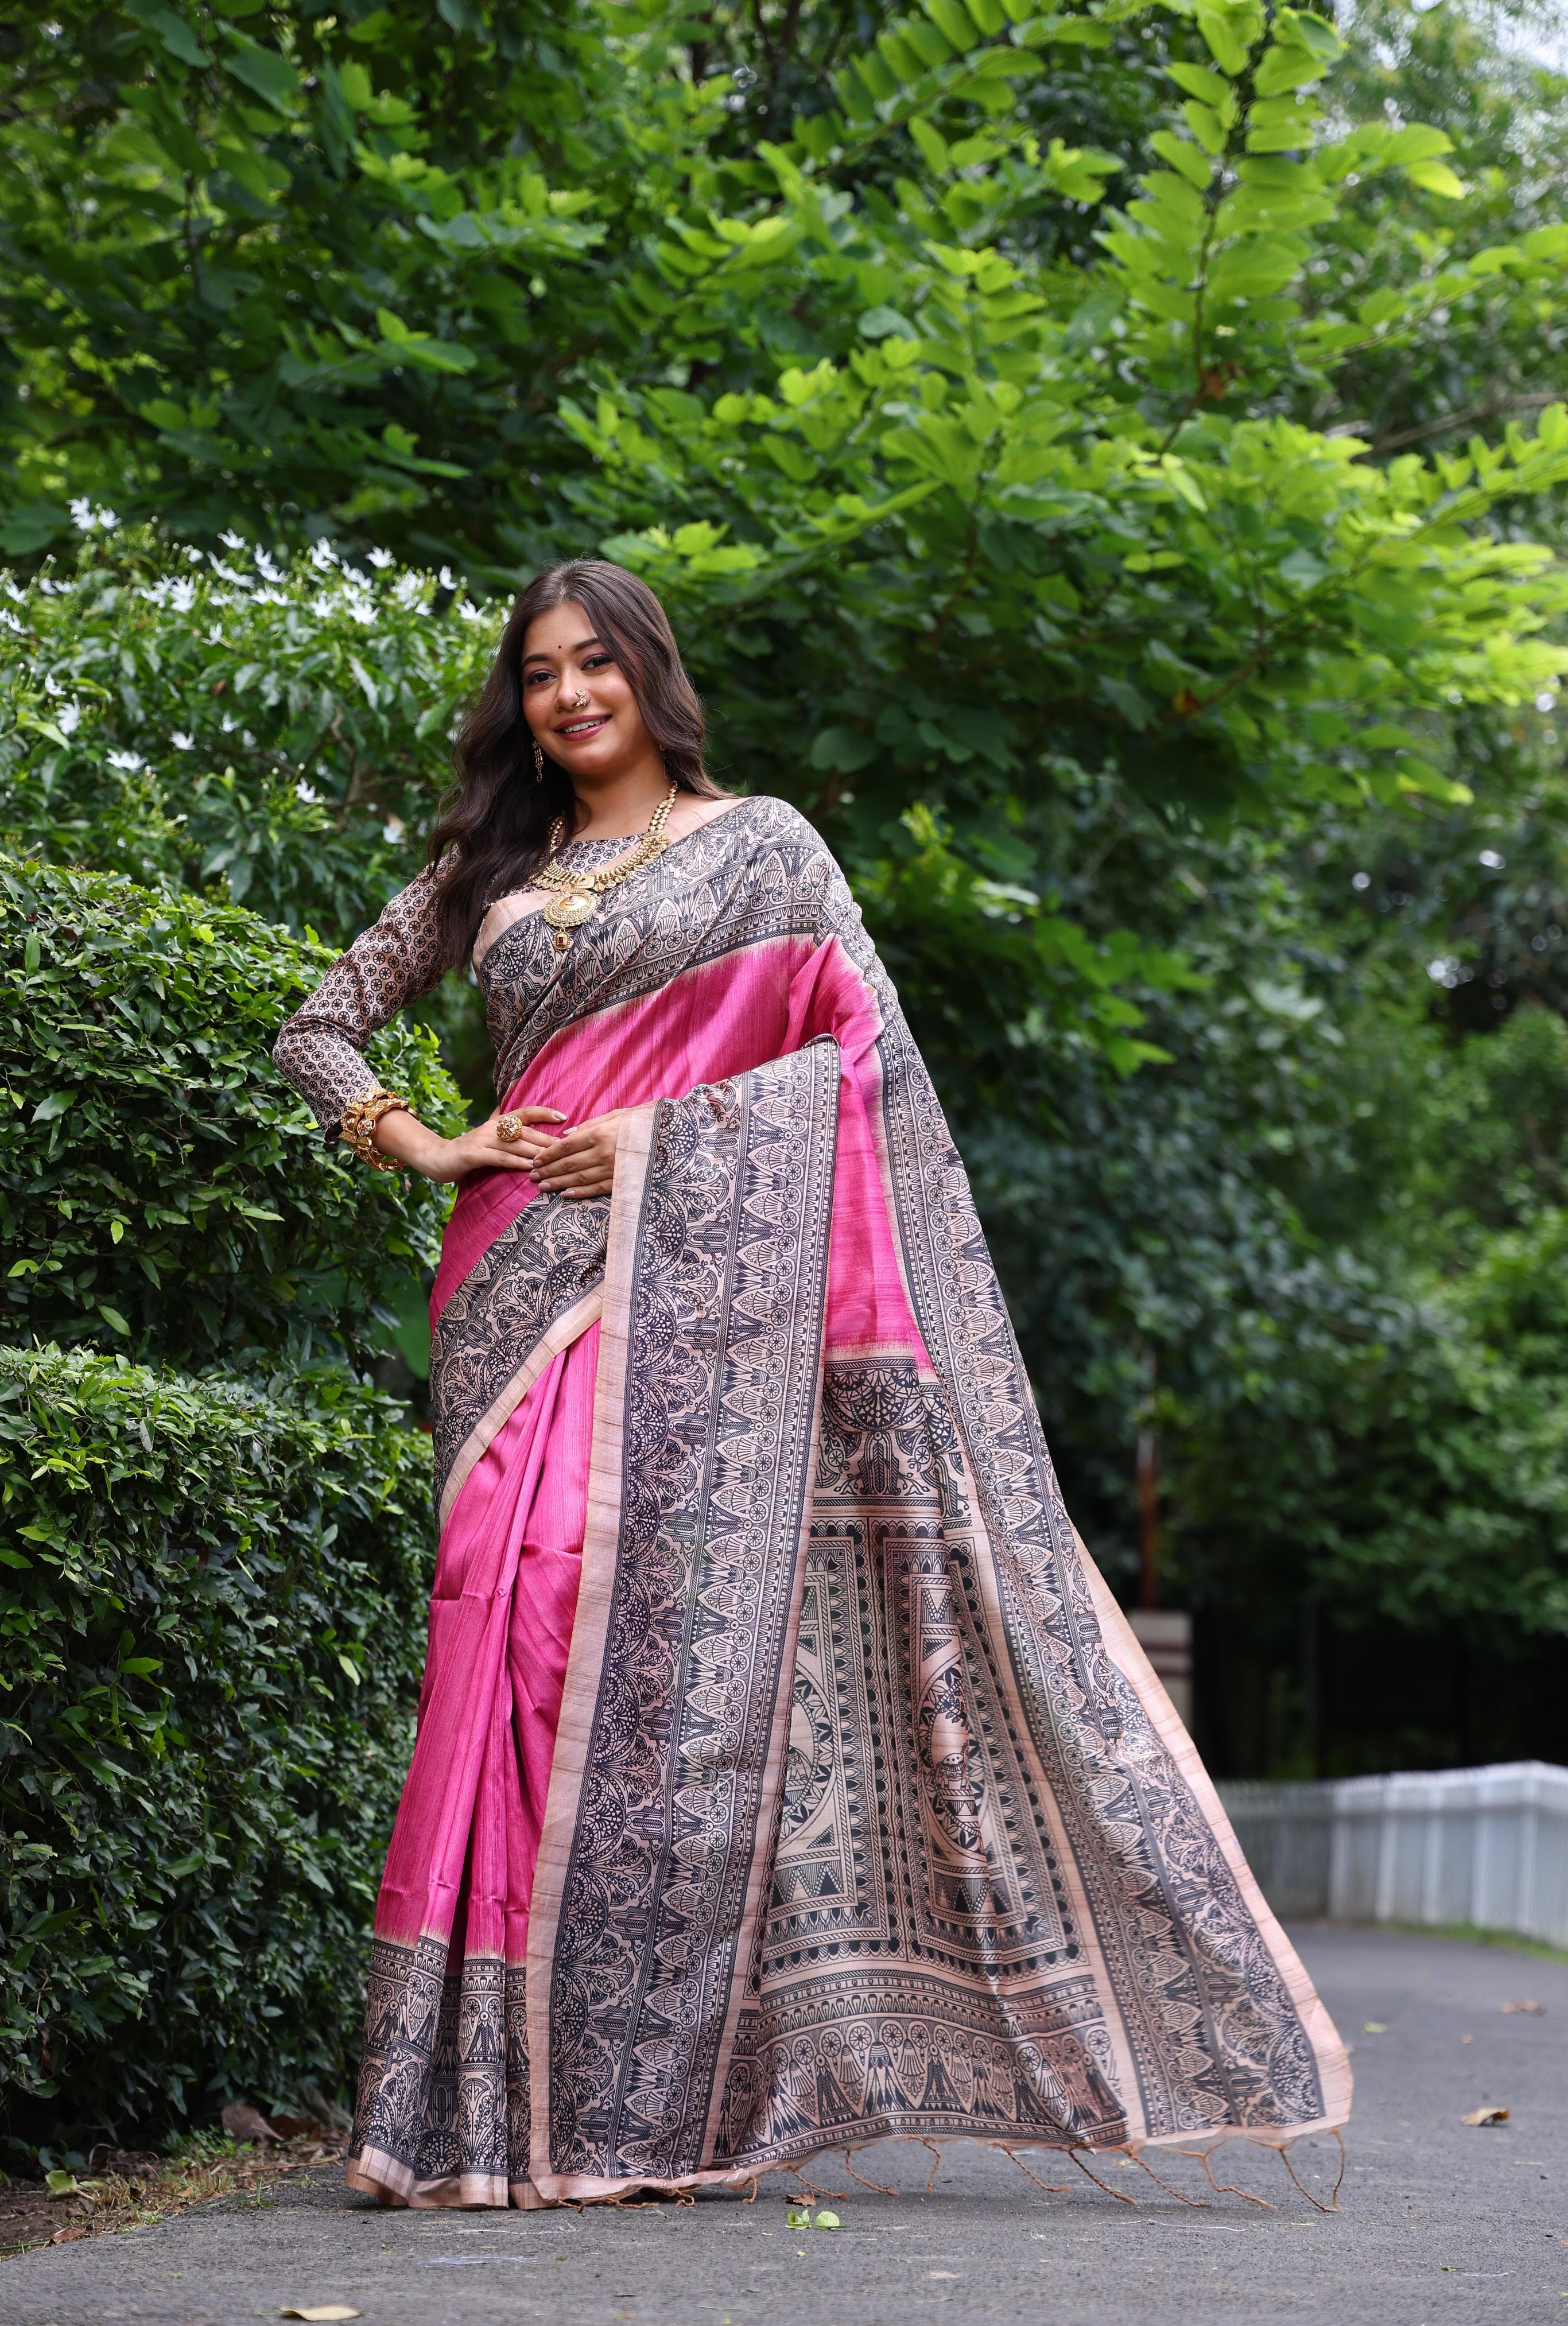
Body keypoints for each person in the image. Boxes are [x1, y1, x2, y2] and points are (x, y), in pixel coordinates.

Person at [274, 558, 1350, 2211]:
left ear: (650, 673)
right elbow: (321, 1028)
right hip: (511, 1293)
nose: (568, 697)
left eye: (596, 666)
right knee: (501, 1616)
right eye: (540, 673)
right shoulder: (489, 864)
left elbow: (863, 1063)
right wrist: (431, 1141)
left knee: (618, 1652)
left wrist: (656, 1138)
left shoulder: (766, 849)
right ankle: (453, 2106)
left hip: (691, 1293)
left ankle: (635, 2104)